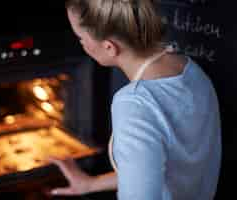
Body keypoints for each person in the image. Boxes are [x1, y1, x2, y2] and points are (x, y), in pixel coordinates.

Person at [49, 0, 222, 199]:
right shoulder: (189, 68)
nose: (81, 44)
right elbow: (159, 168)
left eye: (80, 38)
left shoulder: (134, 104)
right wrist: (91, 184)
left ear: (109, 47)